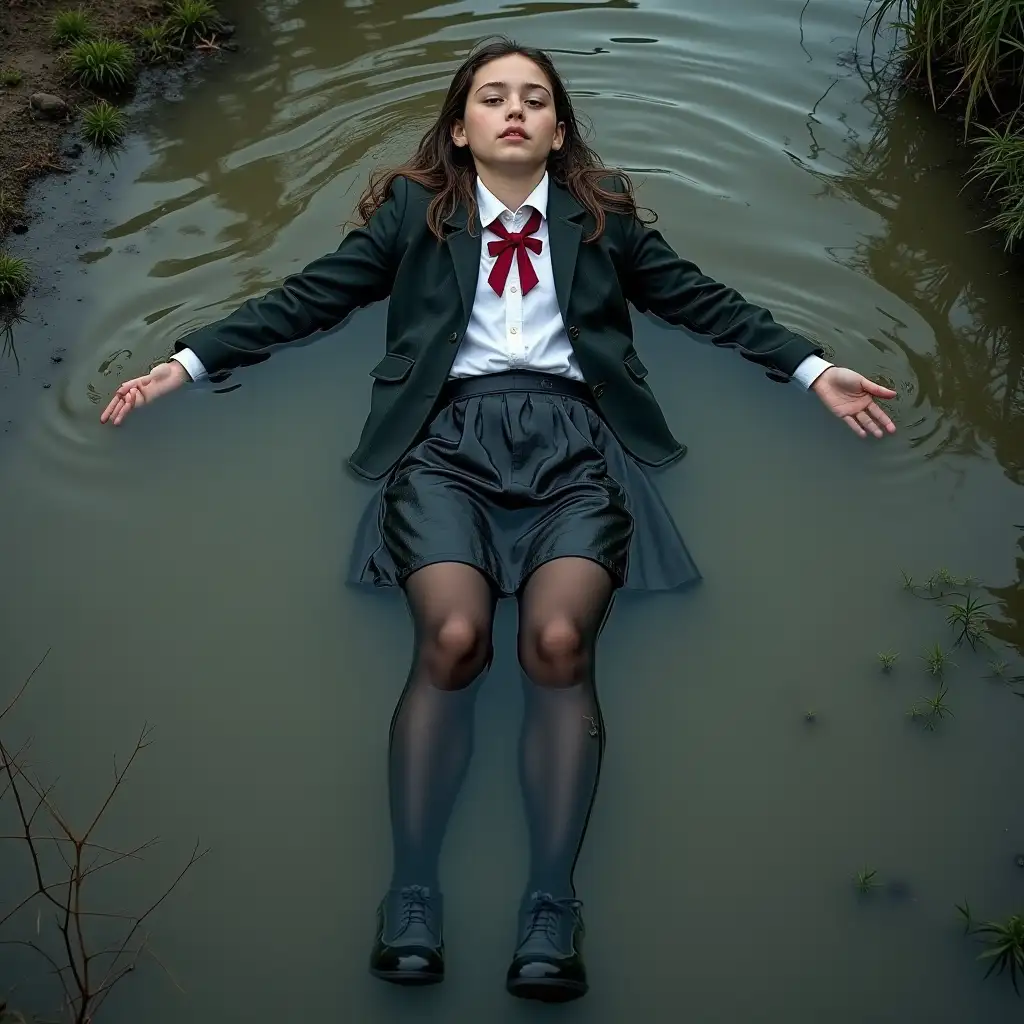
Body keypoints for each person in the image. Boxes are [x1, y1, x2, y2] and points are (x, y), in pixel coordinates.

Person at [100, 36, 897, 1002]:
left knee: (558, 642)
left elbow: (702, 302)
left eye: (533, 99)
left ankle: (551, 908)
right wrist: (184, 364)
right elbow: (310, 298)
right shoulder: (413, 215)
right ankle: (412, 895)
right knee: (455, 637)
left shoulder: (603, 219)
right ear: (460, 127)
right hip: (447, 446)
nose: (513, 110)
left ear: (559, 132)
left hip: (576, 448)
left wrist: (812, 370)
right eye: (491, 98)